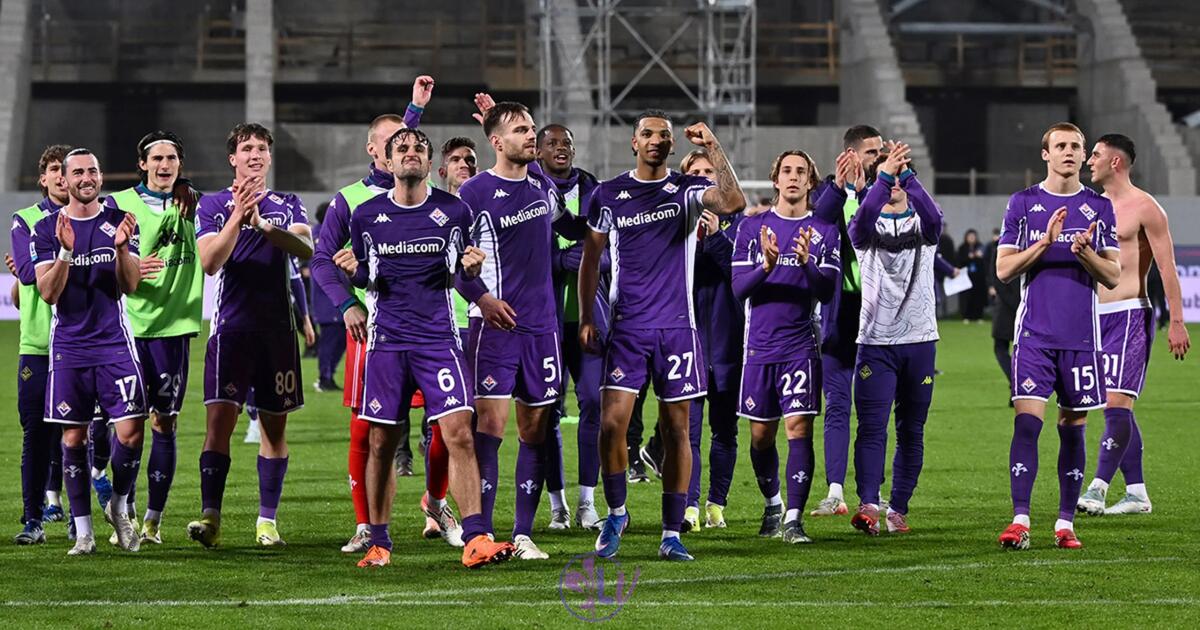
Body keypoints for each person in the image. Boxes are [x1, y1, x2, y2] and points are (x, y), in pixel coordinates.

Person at [338, 126, 513, 569]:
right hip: (387, 345)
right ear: (389, 161)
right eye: (402, 148)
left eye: (418, 147)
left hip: (438, 341)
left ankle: (475, 538)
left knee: (459, 434)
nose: (410, 153)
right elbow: (367, 279)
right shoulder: (367, 215)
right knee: (381, 442)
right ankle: (378, 540)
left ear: (427, 161)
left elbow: (461, 272)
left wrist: (473, 275)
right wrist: (352, 273)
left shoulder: (454, 210)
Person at [579, 113, 747, 562]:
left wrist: (712, 144)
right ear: (634, 141)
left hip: (678, 329)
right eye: (648, 134)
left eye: (664, 136)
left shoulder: (686, 192)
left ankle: (672, 533)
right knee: (613, 424)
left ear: (672, 147)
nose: (656, 141)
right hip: (628, 327)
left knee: (677, 431)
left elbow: (732, 201)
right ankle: (616, 512)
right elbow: (590, 257)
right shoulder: (608, 194)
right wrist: (586, 315)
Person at [307, 76, 436, 553]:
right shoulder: (349, 200)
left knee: (447, 425)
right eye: (389, 142)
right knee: (369, 429)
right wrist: (346, 304)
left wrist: (416, 109)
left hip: (433, 330)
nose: (400, 147)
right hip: (377, 333)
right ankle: (367, 525)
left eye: (407, 140)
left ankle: (437, 503)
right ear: (371, 149)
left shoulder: (424, 192)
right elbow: (321, 260)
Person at [456, 100, 584, 560]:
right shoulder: (472, 193)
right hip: (493, 328)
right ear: (496, 142)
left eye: (532, 128)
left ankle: (524, 533)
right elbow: (452, 263)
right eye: (520, 130)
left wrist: (602, 231)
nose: (532, 136)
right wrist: (482, 299)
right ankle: (483, 534)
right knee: (488, 428)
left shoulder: (541, 187)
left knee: (535, 429)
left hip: (542, 329)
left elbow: (571, 226)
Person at [995, 122, 1121, 550]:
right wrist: (1045, 244)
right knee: (1027, 423)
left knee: (1073, 427)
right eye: (1060, 145)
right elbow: (1004, 269)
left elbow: (1114, 275)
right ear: (1045, 154)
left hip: (1082, 339)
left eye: (1076, 146)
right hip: (1033, 336)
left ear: (1084, 155)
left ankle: (1065, 524)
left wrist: (1085, 253)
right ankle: (1020, 519)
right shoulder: (1023, 203)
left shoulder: (1099, 207)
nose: (1069, 151)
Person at [188, 122, 314, 549]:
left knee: (274, 432)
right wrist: (239, 219)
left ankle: (267, 521)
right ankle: (211, 516)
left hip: (278, 332)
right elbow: (209, 262)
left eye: (262, 148)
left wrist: (263, 225)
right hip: (231, 331)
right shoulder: (213, 204)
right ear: (233, 158)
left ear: (269, 156)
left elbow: (305, 251)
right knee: (218, 425)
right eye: (247, 148)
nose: (255, 154)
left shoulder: (288, 204)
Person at [34, 148, 147, 555]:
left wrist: (120, 249)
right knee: (74, 437)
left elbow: (131, 285)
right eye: (78, 171)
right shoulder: (47, 228)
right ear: (63, 179)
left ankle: (119, 504)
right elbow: (48, 293)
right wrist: (65, 252)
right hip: (70, 348)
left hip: (115, 343)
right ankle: (83, 531)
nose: (87, 177)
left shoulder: (119, 221)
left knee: (132, 432)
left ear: (101, 177)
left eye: (93, 171)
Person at [1076, 133, 1190, 516]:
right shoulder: (1089, 206)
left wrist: (1177, 321)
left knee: (1116, 403)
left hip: (1129, 314)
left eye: (1095, 154)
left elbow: (1167, 268)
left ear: (1116, 163)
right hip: (1093, 317)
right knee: (1115, 406)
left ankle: (1097, 488)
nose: (1088, 160)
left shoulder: (1145, 207)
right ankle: (1138, 492)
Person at [733, 150, 839, 543]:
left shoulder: (823, 230)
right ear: (775, 179)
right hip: (759, 347)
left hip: (800, 345)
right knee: (760, 437)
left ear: (810, 182)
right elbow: (737, 289)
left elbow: (827, 291)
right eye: (787, 171)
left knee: (798, 429)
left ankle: (794, 519)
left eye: (801, 172)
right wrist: (766, 264)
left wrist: (808, 263)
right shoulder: (752, 228)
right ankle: (773, 501)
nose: (793, 178)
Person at [102, 131, 203, 545]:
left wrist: (189, 191)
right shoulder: (117, 205)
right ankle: (120, 506)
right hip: (125, 329)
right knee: (127, 427)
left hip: (172, 331)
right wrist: (123, 264)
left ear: (181, 164)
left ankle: (152, 522)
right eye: (157, 158)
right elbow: (97, 258)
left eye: (172, 158)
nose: (164, 165)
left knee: (165, 423)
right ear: (142, 163)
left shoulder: (192, 205)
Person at [846, 144, 944, 536]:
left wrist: (905, 176)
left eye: (903, 177)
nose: (896, 184)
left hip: (920, 341)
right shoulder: (866, 226)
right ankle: (868, 503)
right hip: (876, 341)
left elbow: (935, 215)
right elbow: (858, 223)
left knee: (911, 429)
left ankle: (898, 506)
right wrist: (883, 176)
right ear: (878, 183)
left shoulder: (926, 228)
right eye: (889, 178)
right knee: (871, 427)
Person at [537, 123, 605, 530]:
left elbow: (610, 253)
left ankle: (587, 502)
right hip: (543, 321)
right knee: (546, 411)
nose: (561, 149)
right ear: (538, 151)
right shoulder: (527, 191)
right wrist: (560, 262)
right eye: (552, 143)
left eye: (567, 144)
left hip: (588, 320)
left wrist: (590, 263)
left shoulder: (597, 192)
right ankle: (557, 504)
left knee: (594, 404)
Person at [810, 125, 880, 517]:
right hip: (841, 312)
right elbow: (820, 221)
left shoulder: (889, 193)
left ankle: (871, 495)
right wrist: (845, 189)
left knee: (873, 407)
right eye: (871, 152)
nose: (877, 159)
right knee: (838, 402)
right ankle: (835, 491)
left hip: (880, 316)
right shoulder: (827, 192)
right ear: (851, 156)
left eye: (880, 151)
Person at [9, 144, 71, 544]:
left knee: (76, 435)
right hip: (37, 345)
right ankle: (34, 519)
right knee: (36, 433)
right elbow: (30, 276)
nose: (63, 176)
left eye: (68, 169)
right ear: (43, 178)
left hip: (80, 345)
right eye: (54, 169)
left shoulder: (93, 215)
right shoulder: (25, 220)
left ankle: (75, 518)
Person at [310, 202, 346, 393]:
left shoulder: (329, 233)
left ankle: (329, 375)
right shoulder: (319, 235)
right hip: (327, 299)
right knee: (329, 341)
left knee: (340, 340)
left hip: (337, 298)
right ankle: (324, 377)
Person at [987, 227, 1019, 405]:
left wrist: (1010, 302)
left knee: (1000, 348)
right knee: (1019, 351)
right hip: (1024, 306)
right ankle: (1016, 392)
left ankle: (1014, 383)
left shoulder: (1000, 247)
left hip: (1006, 308)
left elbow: (996, 278)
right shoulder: (1027, 244)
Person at [957, 229, 986, 321]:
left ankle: (978, 316)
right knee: (966, 297)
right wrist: (969, 257)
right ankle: (966, 316)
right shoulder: (962, 248)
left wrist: (979, 256)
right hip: (966, 276)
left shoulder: (980, 247)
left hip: (978, 277)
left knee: (978, 296)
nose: (972, 239)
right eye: (970, 237)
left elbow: (985, 261)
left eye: (973, 237)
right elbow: (959, 261)